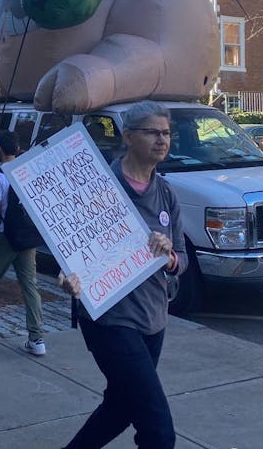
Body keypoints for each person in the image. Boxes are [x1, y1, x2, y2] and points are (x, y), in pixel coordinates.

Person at [57, 101, 186, 449]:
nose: (162, 140)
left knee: (121, 407)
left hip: (153, 317)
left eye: (166, 133)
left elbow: (182, 258)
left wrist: (170, 257)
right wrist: (69, 277)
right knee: (159, 432)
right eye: (152, 132)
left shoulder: (167, 193)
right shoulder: (99, 188)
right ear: (128, 137)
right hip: (110, 319)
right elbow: (71, 249)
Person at [0, 131, 46, 356]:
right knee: (30, 285)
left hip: (6, 238)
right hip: (27, 239)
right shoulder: (27, 172)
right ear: (17, 149)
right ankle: (37, 337)